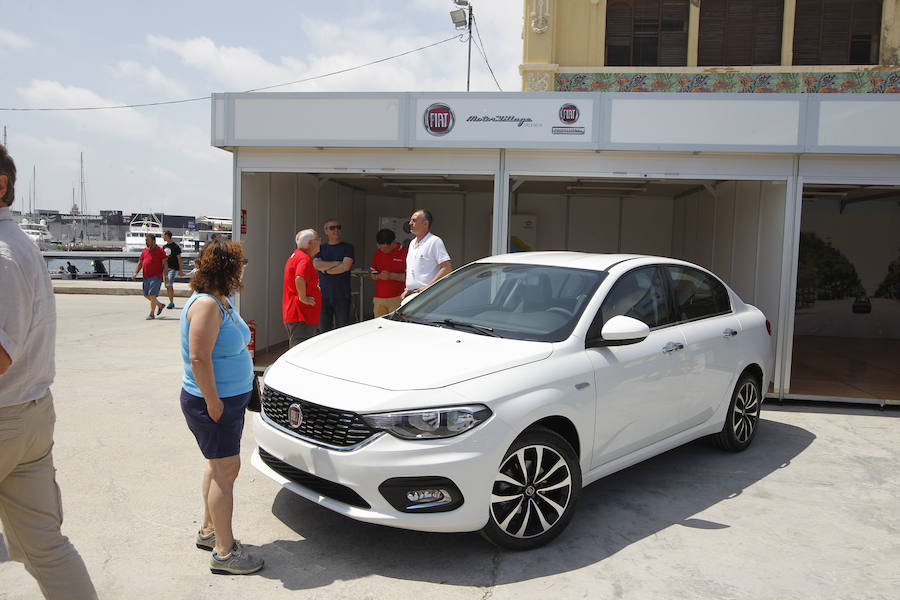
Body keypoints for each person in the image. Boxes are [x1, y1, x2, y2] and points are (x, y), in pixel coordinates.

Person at [0, 143, 98, 599]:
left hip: (8, 416)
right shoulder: (18, 246)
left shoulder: (2, 255)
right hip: (28, 417)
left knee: (43, 547)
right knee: (44, 547)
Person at [179, 239, 264, 576]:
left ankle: (209, 531)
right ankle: (224, 553)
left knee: (219, 469)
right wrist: (213, 402)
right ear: (228, 268)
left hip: (227, 399)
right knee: (226, 472)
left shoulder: (221, 301)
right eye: (241, 262)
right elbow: (199, 358)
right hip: (213, 404)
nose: (244, 267)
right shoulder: (207, 306)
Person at [283, 229, 322, 347]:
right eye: (318, 239)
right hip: (302, 315)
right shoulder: (304, 259)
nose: (320, 242)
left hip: (299, 315)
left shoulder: (296, 256)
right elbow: (299, 277)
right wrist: (303, 297)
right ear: (311, 243)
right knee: (300, 350)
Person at [402, 209, 452, 300]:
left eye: (414, 220)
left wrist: (428, 287)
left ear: (425, 224)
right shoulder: (412, 243)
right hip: (410, 295)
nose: (410, 223)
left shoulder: (434, 241)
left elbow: (447, 268)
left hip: (427, 296)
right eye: (410, 220)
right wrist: (408, 289)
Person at [313, 219, 354, 331]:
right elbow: (316, 264)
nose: (336, 230)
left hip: (342, 295)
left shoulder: (347, 247)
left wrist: (326, 270)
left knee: (342, 330)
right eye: (332, 228)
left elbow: (345, 266)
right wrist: (337, 263)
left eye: (338, 227)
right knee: (324, 330)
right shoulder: (320, 248)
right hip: (323, 296)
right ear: (326, 231)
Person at [369, 228, 407, 317]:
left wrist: (391, 276)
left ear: (393, 243)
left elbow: (410, 277)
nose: (382, 250)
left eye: (385, 248)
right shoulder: (377, 253)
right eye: (380, 247)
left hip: (398, 297)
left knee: (395, 326)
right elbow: (373, 272)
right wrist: (376, 276)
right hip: (379, 298)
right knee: (379, 326)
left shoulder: (405, 252)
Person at [132, 233, 167, 319]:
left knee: (152, 295)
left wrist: (166, 276)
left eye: (148, 240)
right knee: (146, 295)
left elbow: (165, 263)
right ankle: (160, 305)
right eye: (145, 240)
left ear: (154, 241)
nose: (146, 242)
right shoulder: (144, 251)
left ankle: (151, 314)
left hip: (156, 276)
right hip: (146, 276)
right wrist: (136, 273)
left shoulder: (160, 251)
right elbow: (140, 263)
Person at [162, 230, 184, 309]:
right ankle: (171, 301)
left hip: (173, 268)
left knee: (169, 284)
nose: (162, 237)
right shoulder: (164, 247)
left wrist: (180, 270)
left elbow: (179, 259)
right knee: (167, 286)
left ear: (167, 236)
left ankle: (171, 302)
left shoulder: (175, 246)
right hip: (165, 269)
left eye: (163, 235)